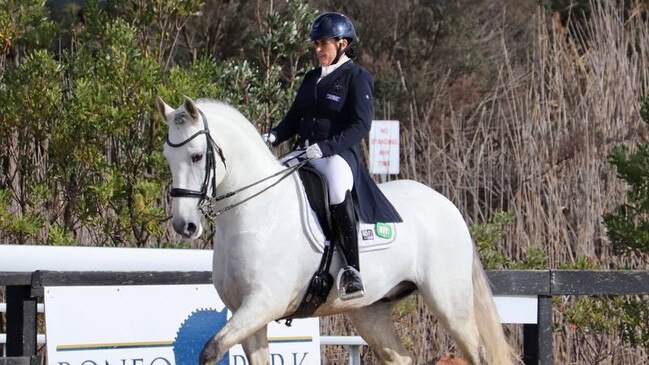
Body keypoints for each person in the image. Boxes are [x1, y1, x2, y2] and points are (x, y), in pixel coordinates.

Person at [262, 12, 402, 300]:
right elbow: (293, 118)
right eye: (315, 44)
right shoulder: (311, 78)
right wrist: (273, 136)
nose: (317, 50)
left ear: (343, 43)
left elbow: (361, 125)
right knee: (270, 179)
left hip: (337, 155)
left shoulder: (357, 77)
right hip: (303, 151)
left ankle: (352, 270)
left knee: (337, 188)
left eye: (323, 43)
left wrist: (325, 148)